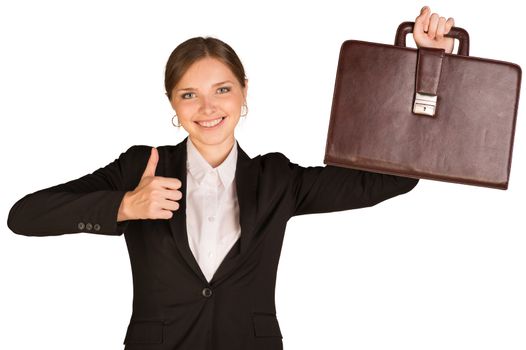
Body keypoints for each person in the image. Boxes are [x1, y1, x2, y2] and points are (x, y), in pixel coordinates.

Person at [7, 6, 455, 350]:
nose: (207, 108)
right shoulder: (140, 168)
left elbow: (392, 180)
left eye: (222, 89)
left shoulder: (277, 178)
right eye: (189, 95)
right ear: (173, 104)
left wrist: (423, 75)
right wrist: (124, 206)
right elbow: (24, 216)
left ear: (243, 92)